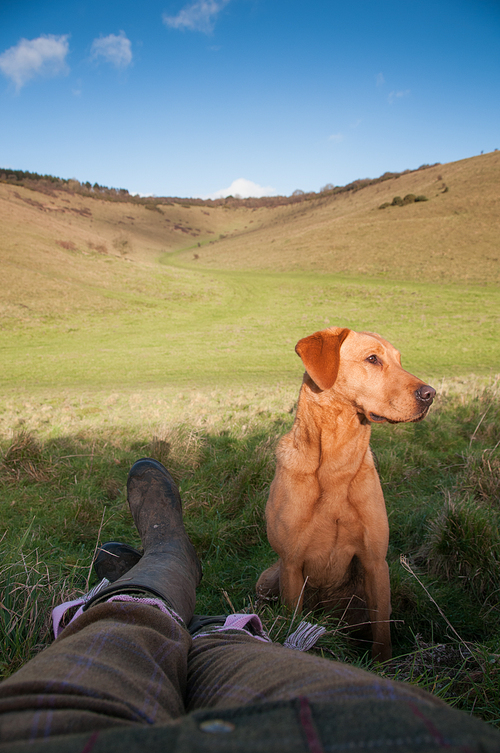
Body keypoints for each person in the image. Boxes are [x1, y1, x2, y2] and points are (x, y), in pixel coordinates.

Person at [0, 458, 499, 752]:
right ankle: (199, 609)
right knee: (230, 652)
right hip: (391, 731)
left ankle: (161, 568)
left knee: (127, 629)